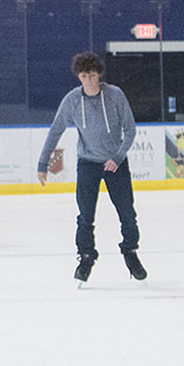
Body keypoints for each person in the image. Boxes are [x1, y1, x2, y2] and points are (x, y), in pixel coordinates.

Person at [36, 52, 145, 284]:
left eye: (92, 75)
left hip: (116, 164)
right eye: (84, 76)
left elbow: (131, 129)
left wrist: (117, 156)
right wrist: (42, 163)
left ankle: (130, 252)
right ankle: (86, 257)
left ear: (100, 74)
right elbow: (55, 131)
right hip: (88, 164)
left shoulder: (115, 95)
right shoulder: (72, 100)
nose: (88, 80)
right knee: (85, 216)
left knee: (127, 212)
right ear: (78, 76)